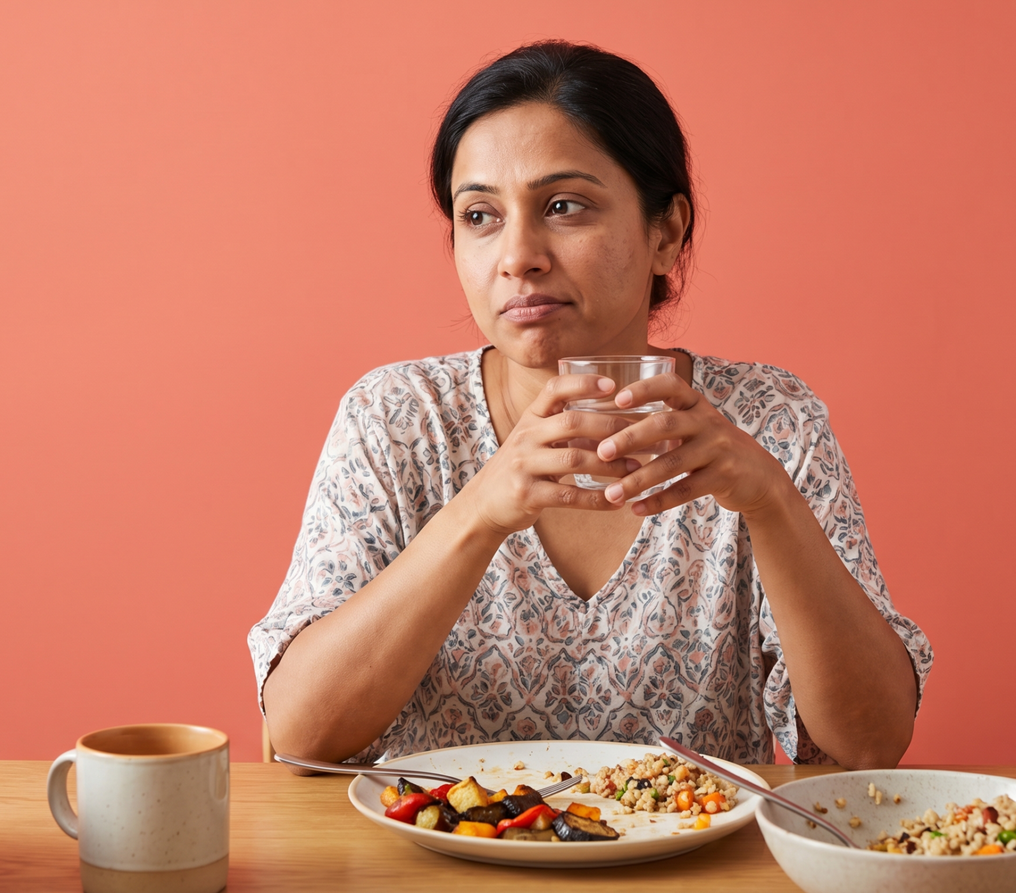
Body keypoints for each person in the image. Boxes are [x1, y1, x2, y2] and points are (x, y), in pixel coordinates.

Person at [249, 41, 931, 771]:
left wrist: (770, 503)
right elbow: (299, 735)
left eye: (563, 207)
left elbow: (869, 744)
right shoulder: (396, 419)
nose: (518, 255)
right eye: (479, 215)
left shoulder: (771, 421)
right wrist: (481, 510)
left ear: (666, 233)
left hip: (698, 846)